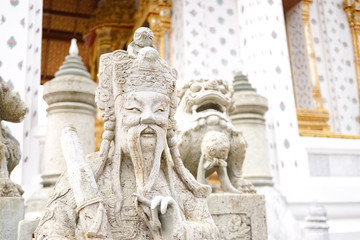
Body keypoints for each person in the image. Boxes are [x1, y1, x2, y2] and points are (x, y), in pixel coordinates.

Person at [35, 27, 219, 240]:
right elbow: (49, 231)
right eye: (134, 109)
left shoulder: (178, 182)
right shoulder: (86, 177)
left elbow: (211, 229)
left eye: (160, 110)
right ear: (115, 118)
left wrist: (179, 229)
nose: (149, 117)